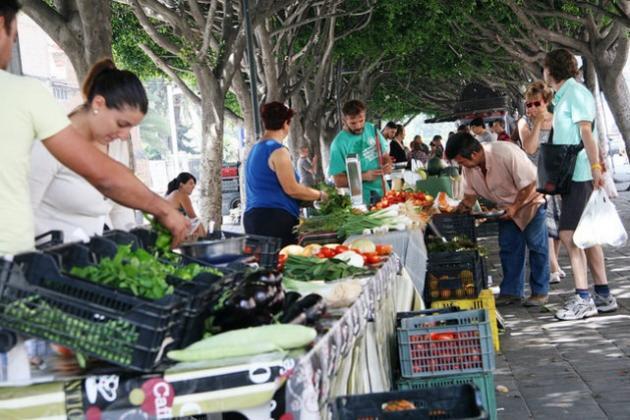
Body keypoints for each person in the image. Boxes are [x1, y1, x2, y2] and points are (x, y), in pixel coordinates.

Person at [0, 1, 188, 255]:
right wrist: (163, 208)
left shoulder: (115, 146)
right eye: (13, 36)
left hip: (92, 262)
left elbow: (117, 200)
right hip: (45, 264)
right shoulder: (28, 101)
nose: (11, 50)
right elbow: (105, 178)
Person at [29, 59, 147, 243]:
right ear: (98, 104)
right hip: (51, 261)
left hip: (100, 259)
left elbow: (119, 208)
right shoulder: (47, 142)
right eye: (121, 124)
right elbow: (19, 214)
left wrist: (133, 244)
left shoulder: (115, 144)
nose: (124, 135)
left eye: (130, 128)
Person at [543, 49, 617, 320]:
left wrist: (597, 166)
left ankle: (583, 298)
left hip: (580, 175)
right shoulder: (564, 96)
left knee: (569, 235)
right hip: (573, 175)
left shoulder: (574, 94)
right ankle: (603, 294)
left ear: (551, 70)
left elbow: (587, 132)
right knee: (586, 236)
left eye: (544, 67)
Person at [446, 133, 550, 306]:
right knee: (509, 249)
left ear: (473, 154)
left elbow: (530, 183)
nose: (461, 165)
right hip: (505, 208)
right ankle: (511, 291)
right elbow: (470, 197)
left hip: (531, 201)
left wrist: (515, 207)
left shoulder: (505, 152)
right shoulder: (469, 168)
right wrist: (458, 211)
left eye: (461, 161)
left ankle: (540, 292)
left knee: (537, 247)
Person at [244, 102, 326, 246]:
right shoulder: (278, 151)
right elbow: (292, 189)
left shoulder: (256, 148)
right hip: (273, 219)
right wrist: (321, 195)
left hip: (254, 218)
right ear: (285, 124)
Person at [517, 80, 565, 285]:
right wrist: (537, 123)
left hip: (556, 178)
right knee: (543, 225)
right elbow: (530, 148)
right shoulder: (523, 123)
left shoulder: (558, 120)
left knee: (559, 228)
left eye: (537, 103)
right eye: (529, 104)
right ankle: (552, 266)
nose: (533, 108)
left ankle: (553, 263)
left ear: (546, 102)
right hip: (535, 179)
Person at [329, 100, 393, 205]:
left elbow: (385, 155)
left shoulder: (371, 128)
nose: (358, 126)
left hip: (385, 192)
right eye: (353, 123)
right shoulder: (338, 144)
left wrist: (388, 164)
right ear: (344, 120)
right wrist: (363, 177)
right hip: (361, 201)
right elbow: (338, 181)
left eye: (361, 120)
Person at [165, 172, 207, 237]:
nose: (193, 186)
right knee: (198, 225)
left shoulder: (171, 194)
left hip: (165, 227)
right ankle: (205, 243)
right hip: (172, 229)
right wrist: (205, 235)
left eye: (194, 184)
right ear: (181, 184)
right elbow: (193, 216)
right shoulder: (181, 194)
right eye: (191, 183)